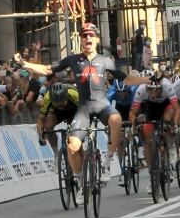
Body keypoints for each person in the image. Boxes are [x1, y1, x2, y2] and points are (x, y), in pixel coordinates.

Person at [20, 23, 131, 203]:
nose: (88, 38)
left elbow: (125, 79)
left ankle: (108, 164)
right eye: (84, 35)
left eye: (91, 35)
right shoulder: (72, 60)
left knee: (116, 120)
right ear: (80, 39)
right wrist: (25, 64)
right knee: (72, 145)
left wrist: (145, 79)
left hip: (102, 105)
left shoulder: (106, 61)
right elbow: (48, 70)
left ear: (97, 39)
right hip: (83, 110)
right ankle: (80, 184)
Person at [129, 71, 179, 193]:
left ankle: (170, 146)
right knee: (146, 134)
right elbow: (133, 113)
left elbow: (177, 109)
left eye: (157, 89)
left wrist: (175, 125)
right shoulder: (141, 89)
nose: (154, 93)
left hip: (165, 105)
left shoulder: (167, 86)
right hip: (150, 107)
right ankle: (152, 174)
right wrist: (134, 125)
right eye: (151, 89)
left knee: (167, 120)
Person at [36, 80, 79, 152]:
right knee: (48, 127)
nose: (60, 106)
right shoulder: (47, 98)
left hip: (73, 110)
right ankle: (56, 154)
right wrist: (41, 136)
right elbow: (40, 119)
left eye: (62, 103)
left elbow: (84, 111)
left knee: (76, 130)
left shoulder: (74, 94)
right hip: (57, 113)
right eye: (57, 104)